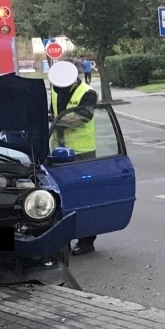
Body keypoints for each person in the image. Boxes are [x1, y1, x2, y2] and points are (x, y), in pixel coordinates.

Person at [47, 59, 101, 256]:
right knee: (60, 198)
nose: (58, 89)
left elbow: (79, 119)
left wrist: (56, 121)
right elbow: (50, 112)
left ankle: (87, 241)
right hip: (58, 153)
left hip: (82, 153)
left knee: (84, 197)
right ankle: (63, 239)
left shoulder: (87, 93)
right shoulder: (56, 89)